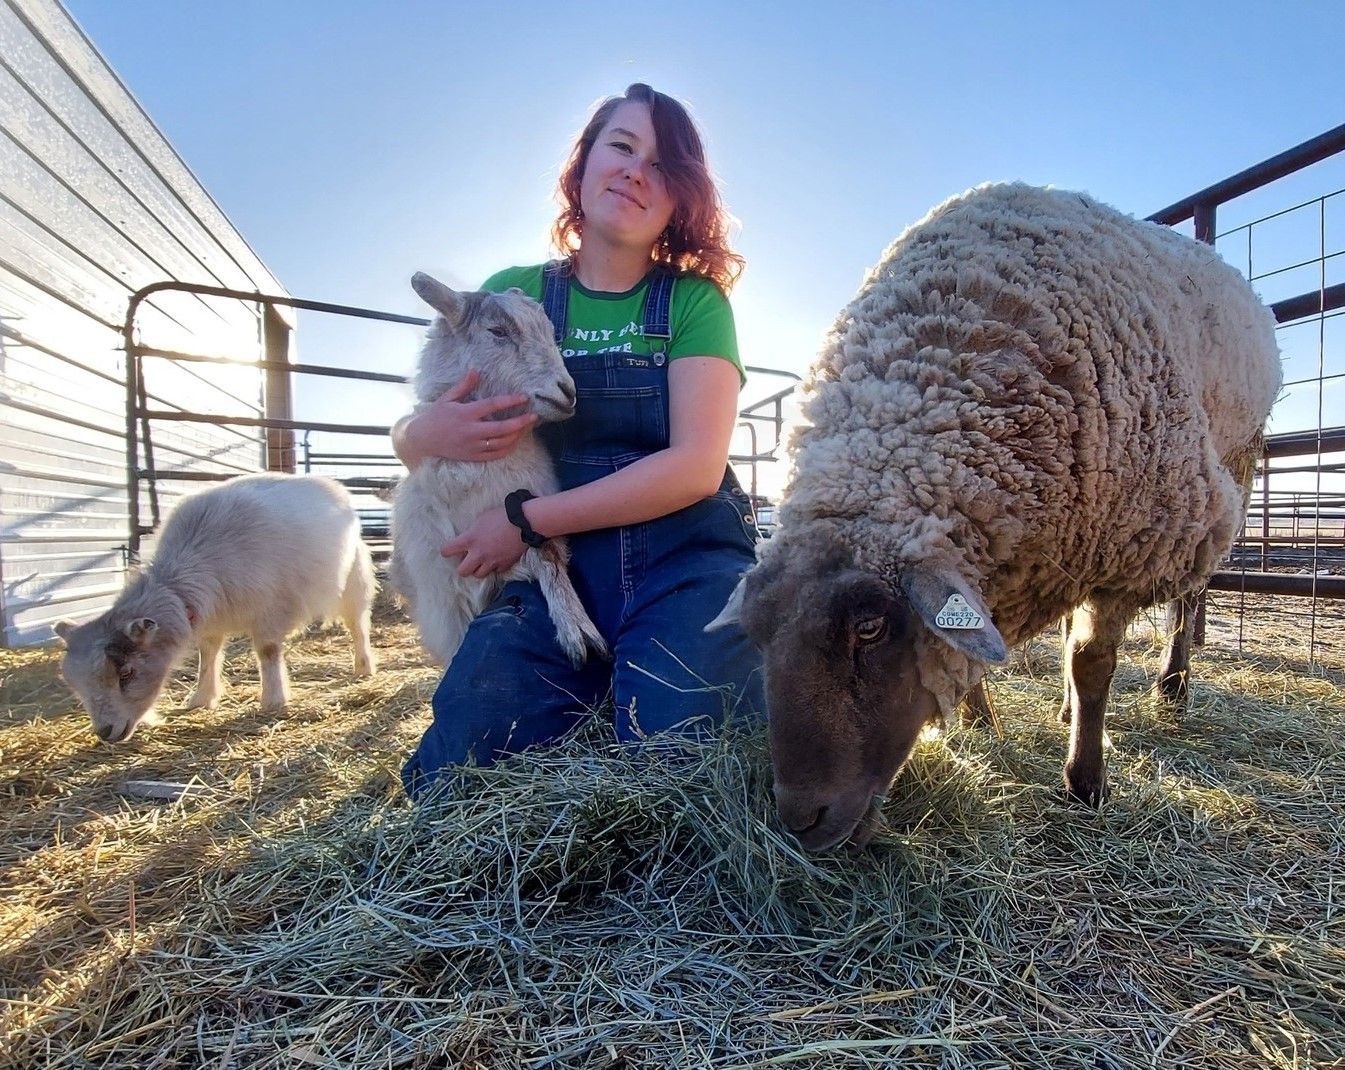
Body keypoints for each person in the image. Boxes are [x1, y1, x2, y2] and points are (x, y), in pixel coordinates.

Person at [395, 83, 764, 794]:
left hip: (678, 555)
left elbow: (693, 467)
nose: (634, 170)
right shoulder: (512, 293)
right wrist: (417, 432)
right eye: (621, 147)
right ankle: (585, 683)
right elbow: (430, 428)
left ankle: (639, 676)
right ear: (584, 164)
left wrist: (525, 522)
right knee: (464, 759)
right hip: (548, 571)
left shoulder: (693, 302)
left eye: (660, 165)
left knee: (692, 763)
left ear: (680, 197)